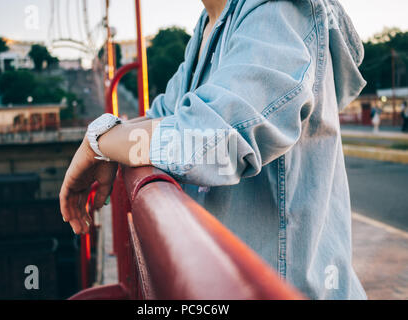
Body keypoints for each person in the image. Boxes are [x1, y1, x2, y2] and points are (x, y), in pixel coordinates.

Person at [59, 0, 367, 299]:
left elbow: (211, 139)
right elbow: (164, 117)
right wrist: (108, 142)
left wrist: (97, 144)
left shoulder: (277, 10)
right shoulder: (210, 26)